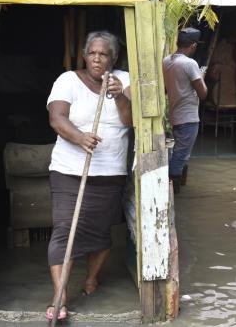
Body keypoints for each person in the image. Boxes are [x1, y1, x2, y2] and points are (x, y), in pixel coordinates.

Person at [45, 31, 132, 321]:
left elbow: (132, 122)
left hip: (109, 172)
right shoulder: (67, 80)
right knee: (64, 230)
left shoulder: (125, 80)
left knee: (100, 232)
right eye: (92, 53)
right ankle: (60, 294)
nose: (97, 58)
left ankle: (92, 278)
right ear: (85, 55)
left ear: (113, 58)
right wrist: (80, 138)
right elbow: (56, 118)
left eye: (104, 54)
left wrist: (120, 96)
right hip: (69, 170)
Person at [163, 27, 207, 193]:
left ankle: (176, 187)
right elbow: (203, 94)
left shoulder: (167, 61)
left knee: (179, 153)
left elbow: (169, 89)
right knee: (180, 157)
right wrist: (201, 78)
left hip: (175, 116)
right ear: (193, 45)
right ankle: (173, 193)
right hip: (188, 118)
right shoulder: (190, 64)